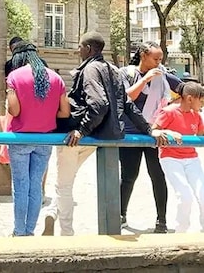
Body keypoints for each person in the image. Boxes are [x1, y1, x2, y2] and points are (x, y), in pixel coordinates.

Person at [42, 31, 169, 236]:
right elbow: (128, 105)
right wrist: (148, 129)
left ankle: (66, 234)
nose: (78, 50)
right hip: (100, 137)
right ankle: (52, 213)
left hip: (78, 136)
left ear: (89, 49)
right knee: (69, 181)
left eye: (81, 47)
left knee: (63, 185)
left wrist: (81, 130)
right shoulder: (112, 69)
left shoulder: (90, 69)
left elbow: (99, 104)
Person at [6, 42, 70, 236]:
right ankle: (30, 230)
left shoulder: (14, 77)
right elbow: (65, 112)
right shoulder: (56, 78)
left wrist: (10, 93)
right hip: (45, 139)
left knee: (20, 185)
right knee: (36, 185)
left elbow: (14, 110)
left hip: (20, 138)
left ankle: (19, 231)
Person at [119, 41, 182, 233]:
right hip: (131, 134)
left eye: (161, 59)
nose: (158, 62)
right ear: (143, 55)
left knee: (158, 176)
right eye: (156, 58)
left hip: (156, 132)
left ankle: (161, 221)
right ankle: (120, 215)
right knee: (129, 175)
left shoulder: (162, 75)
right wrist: (145, 79)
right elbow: (125, 97)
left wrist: (168, 108)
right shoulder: (126, 73)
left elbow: (183, 90)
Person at [152, 82, 204, 233]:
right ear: (189, 99)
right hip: (171, 158)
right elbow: (154, 130)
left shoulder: (196, 115)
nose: (202, 104)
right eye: (200, 101)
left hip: (191, 158)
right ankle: (180, 232)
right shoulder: (169, 112)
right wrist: (169, 132)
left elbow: (200, 134)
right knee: (185, 195)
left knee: (202, 194)